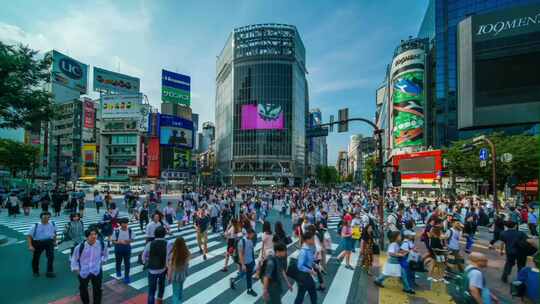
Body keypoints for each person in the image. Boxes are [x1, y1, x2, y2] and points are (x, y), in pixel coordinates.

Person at [71, 227, 108, 304]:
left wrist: (103, 261)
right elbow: (74, 259)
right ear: (86, 237)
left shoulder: (101, 244)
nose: (94, 236)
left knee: (97, 288)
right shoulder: (80, 247)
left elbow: (105, 254)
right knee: (83, 289)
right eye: (91, 235)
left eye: (95, 234)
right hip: (84, 271)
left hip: (96, 270)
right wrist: (77, 270)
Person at [143, 226, 170, 304]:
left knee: (151, 290)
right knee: (161, 286)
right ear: (164, 234)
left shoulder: (150, 244)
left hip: (152, 270)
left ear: (155, 234)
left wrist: (146, 262)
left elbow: (143, 256)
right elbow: (168, 257)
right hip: (163, 269)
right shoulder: (168, 243)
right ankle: (159, 300)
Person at [27, 211, 57, 277]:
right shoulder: (35, 225)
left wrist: (54, 241)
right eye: (44, 217)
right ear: (41, 217)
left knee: (51, 257)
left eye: (48, 217)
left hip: (49, 242)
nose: (46, 219)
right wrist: (30, 245)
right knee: (36, 257)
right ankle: (35, 271)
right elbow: (29, 236)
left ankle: (49, 272)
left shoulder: (52, 224)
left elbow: (54, 233)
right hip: (38, 242)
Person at [230, 228, 257, 297]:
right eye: (252, 235)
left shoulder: (250, 241)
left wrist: (253, 261)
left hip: (250, 262)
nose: (253, 237)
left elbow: (251, 251)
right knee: (242, 275)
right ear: (248, 234)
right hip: (244, 263)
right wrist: (243, 265)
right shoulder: (241, 242)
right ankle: (233, 280)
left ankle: (249, 289)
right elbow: (240, 254)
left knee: (249, 276)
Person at [294, 231, 318, 304]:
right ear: (307, 240)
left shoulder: (309, 248)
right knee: (310, 294)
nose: (314, 241)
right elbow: (300, 266)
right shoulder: (304, 251)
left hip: (306, 276)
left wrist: (315, 265)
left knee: (303, 294)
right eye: (312, 239)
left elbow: (309, 261)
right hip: (304, 276)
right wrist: (311, 271)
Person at [167, 236, 190, 304]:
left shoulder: (173, 254)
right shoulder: (186, 253)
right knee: (180, 290)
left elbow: (170, 267)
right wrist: (186, 273)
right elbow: (187, 264)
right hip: (182, 274)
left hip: (175, 275)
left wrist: (169, 277)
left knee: (175, 293)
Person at [113, 218, 133, 283]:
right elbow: (113, 241)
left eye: (126, 223)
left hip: (127, 249)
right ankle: (118, 271)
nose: (125, 225)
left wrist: (128, 241)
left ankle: (126, 276)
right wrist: (119, 242)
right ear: (120, 224)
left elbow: (132, 239)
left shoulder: (130, 230)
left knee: (127, 263)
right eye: (124, 223)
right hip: (118, 249)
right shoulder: (116, 231)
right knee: (118, 261)